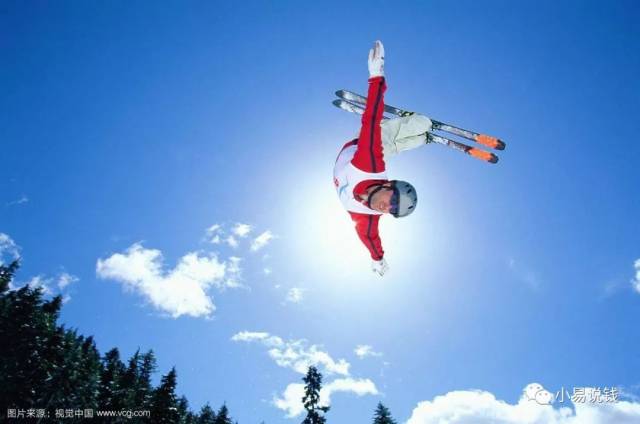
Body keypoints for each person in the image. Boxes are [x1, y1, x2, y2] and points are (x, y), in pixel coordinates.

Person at [333, 40, 433, 276]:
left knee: (391, 146)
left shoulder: (366, 218)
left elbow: (370, 240)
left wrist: (378, 259)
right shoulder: (368, 162)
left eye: (392, 209)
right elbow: (371, 119)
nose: (386, 207)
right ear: (388, 185)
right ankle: (421, 124)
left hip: (367, 152)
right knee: (403, 131)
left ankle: (421, 139)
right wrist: (376, 76)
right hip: (363, 147)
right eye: (393, 200)